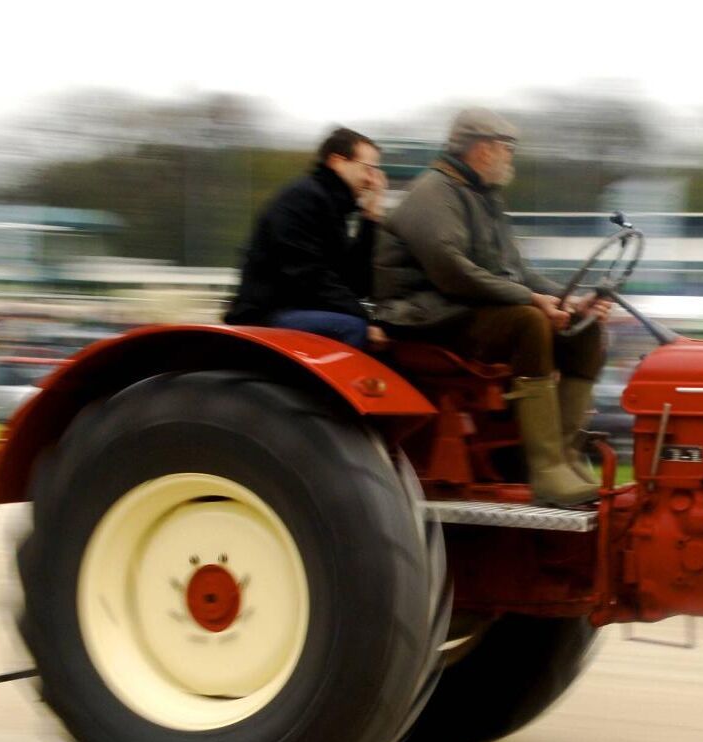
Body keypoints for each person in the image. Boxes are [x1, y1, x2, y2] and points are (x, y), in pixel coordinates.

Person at [372, 108, 610, 506]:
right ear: (482, 150)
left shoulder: (484, 199)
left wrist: (572, 302)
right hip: (424, 315)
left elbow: (515, 271)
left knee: (586, 330)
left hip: (464, 309)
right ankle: (546, 470)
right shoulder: (432, 194)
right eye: (506, 148)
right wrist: (533, 300)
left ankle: (567, 457)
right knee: (529, 323)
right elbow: (453, 273)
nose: (509, 158)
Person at [224, 127, 388, 349]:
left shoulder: (331, 205)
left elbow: (352, 284)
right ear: (338, 162)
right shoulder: (303, 199)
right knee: (353, 326)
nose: (373, 181)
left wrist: (369, 220)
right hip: (268, 314)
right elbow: (309, 275)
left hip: (296, 308)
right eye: (369, 169)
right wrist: (366, 320)